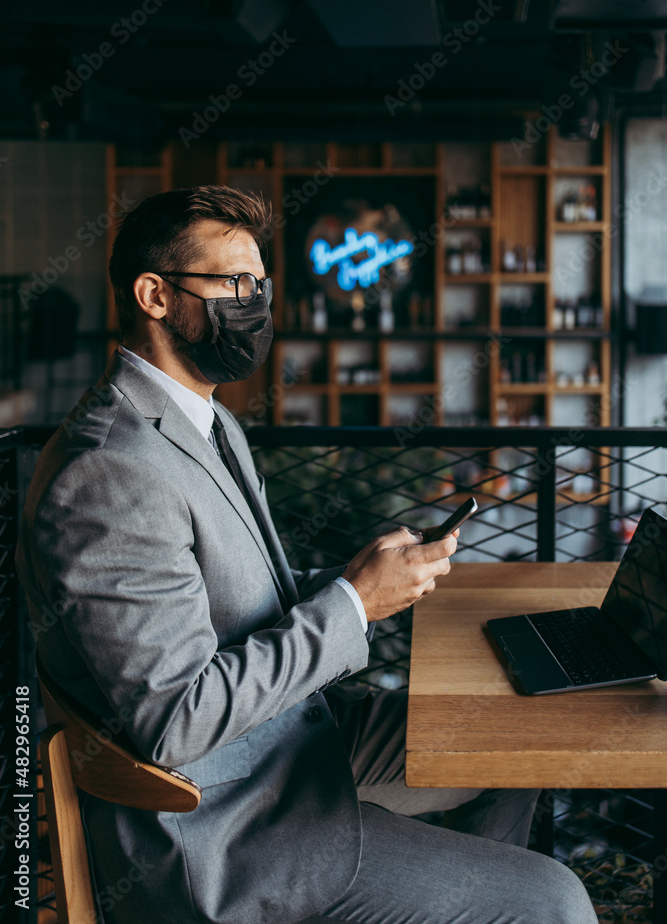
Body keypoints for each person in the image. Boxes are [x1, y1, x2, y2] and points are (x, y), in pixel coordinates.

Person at [16, 186, 597, 924]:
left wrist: (361, 578)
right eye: (232, 283)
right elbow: (176, 720)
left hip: (286, 740)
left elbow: (223, 599)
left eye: (260, 284)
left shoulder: (205, 419)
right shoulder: (110, 470)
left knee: (511, 748)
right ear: (154, 295)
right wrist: (354, 605)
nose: (254, 302)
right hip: (225, 825)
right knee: (556, 900)